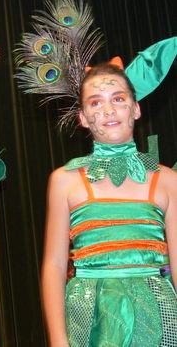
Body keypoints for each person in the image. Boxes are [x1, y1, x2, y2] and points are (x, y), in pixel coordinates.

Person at [41, 62, 177, 346]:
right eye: (95, 102)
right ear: (82, 117)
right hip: (90, 318)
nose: (108, 109)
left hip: (159, 317)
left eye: (118, 98)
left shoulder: (167, 180)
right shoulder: (64, 181)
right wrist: (57, 339)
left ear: (136, 109)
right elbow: (54, 265)